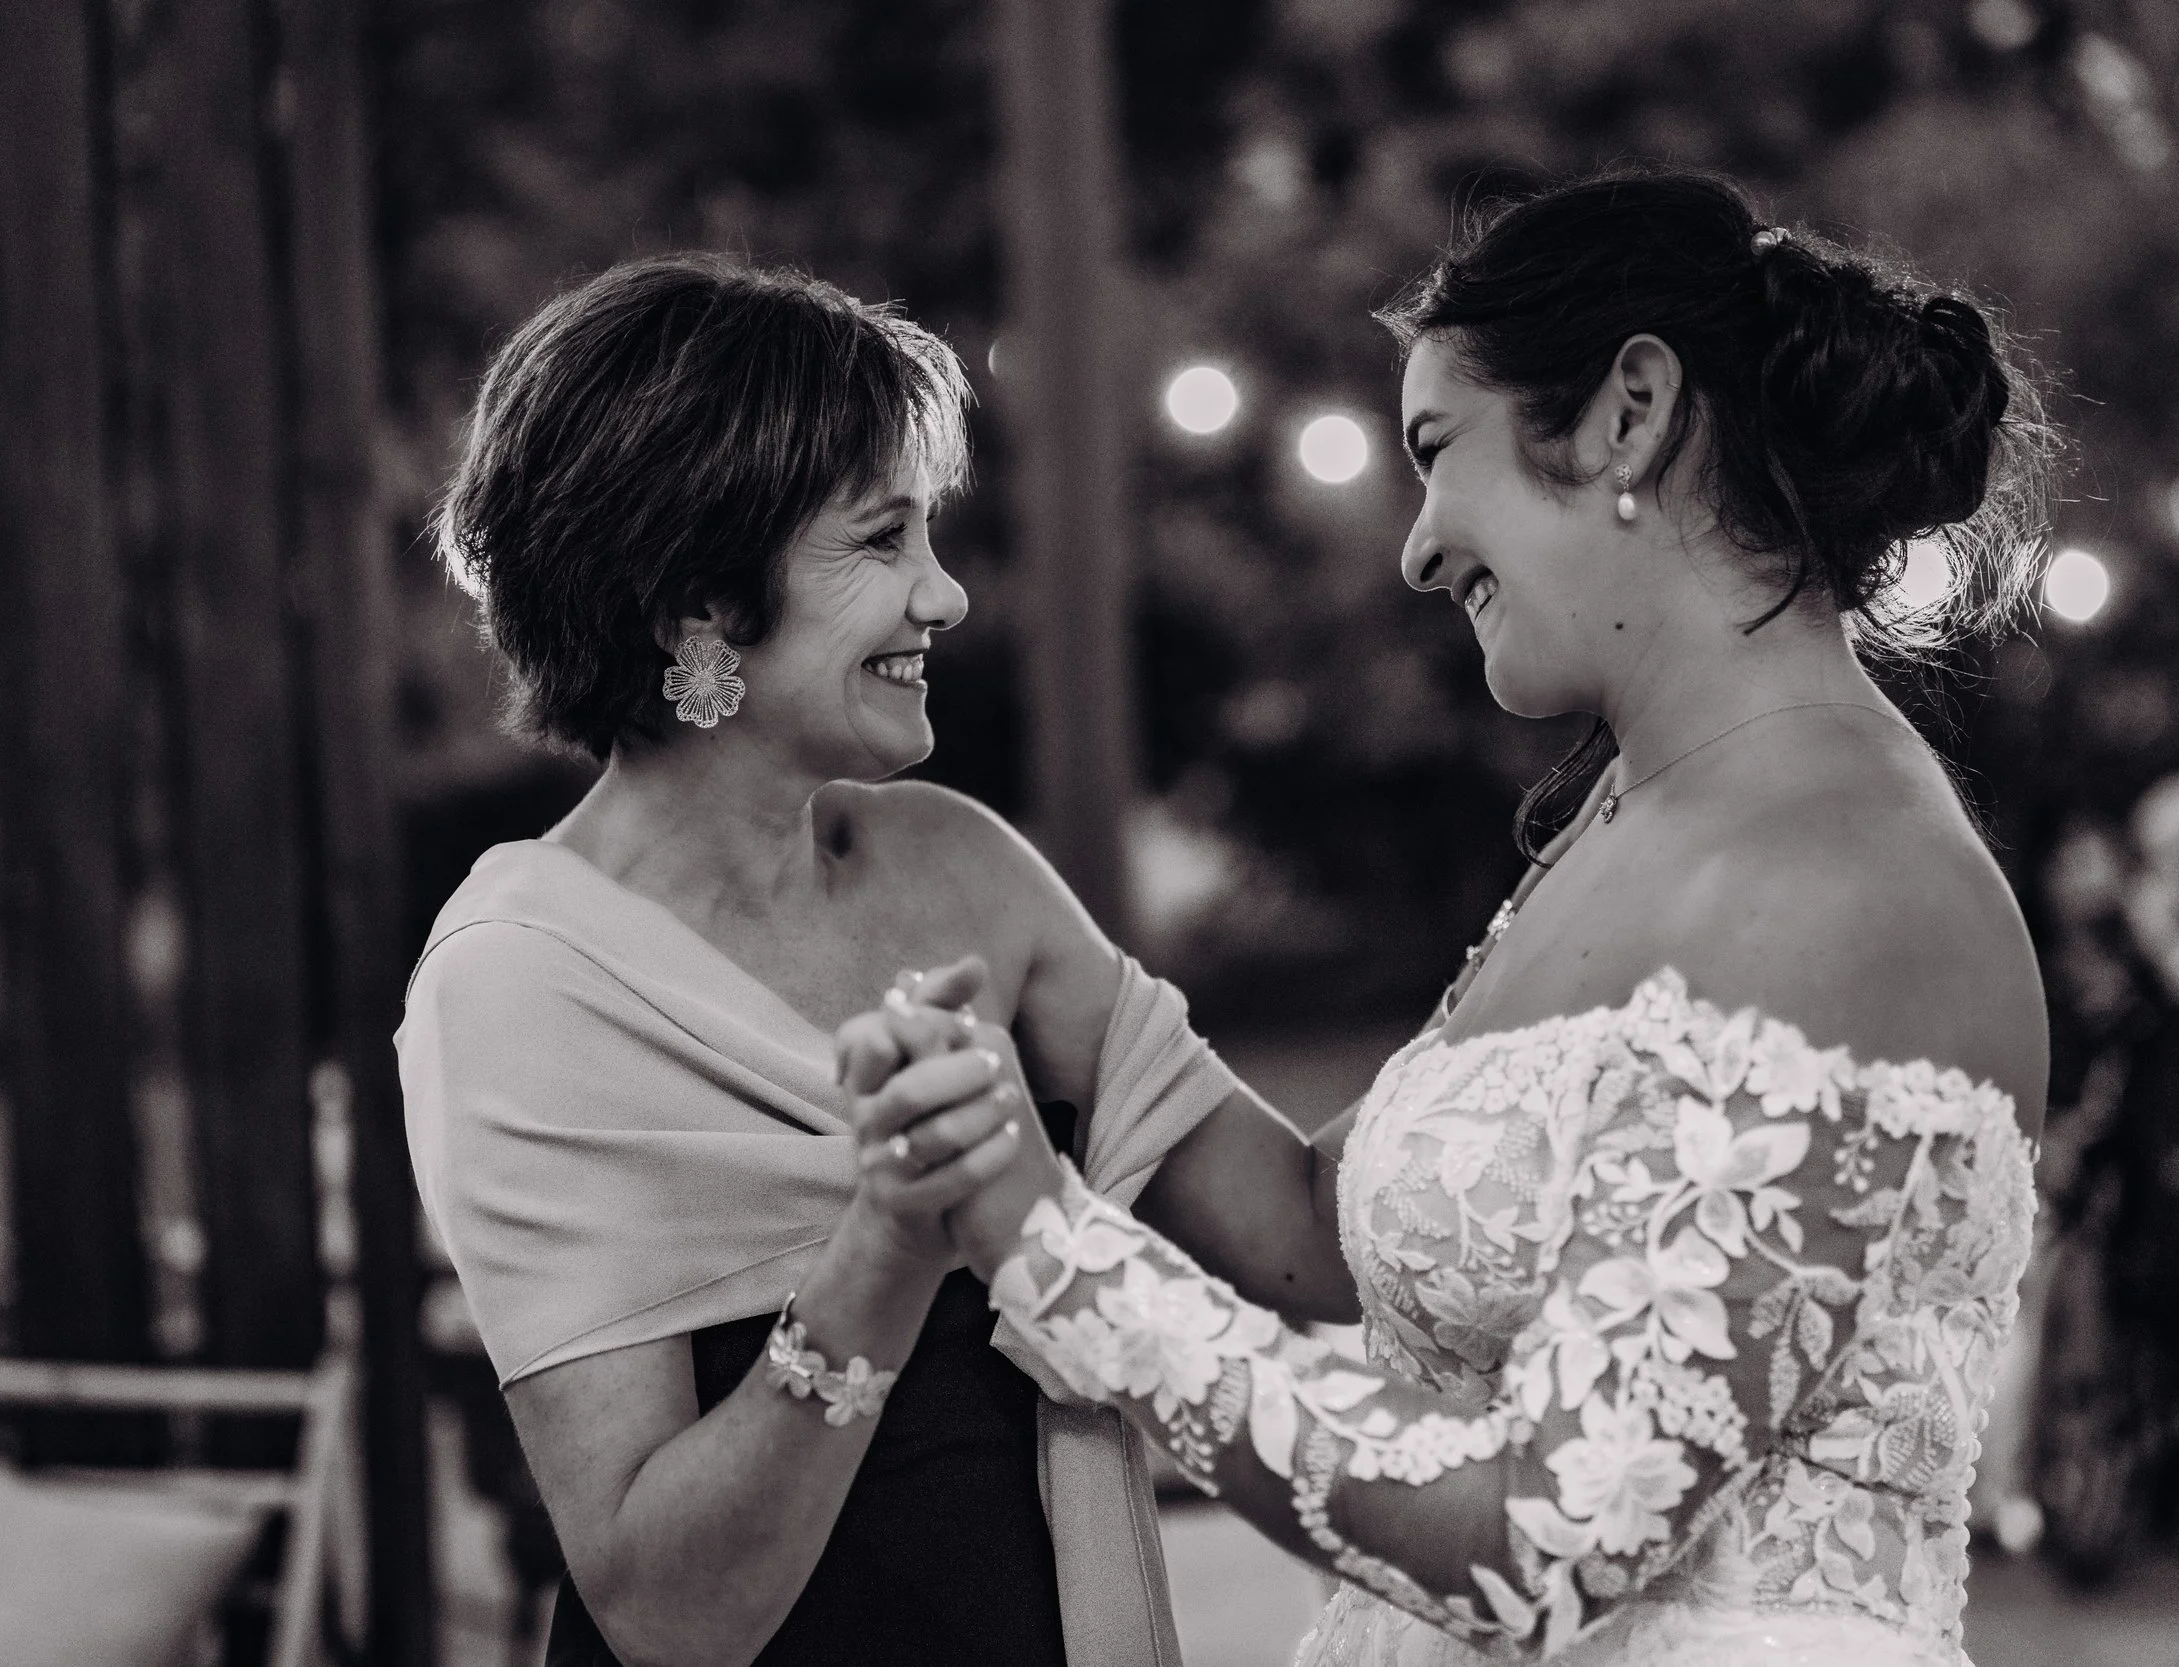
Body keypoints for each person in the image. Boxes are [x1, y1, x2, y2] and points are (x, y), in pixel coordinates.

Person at [845, 169, 2056, 1667]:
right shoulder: (1635, 818)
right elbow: (1316, 1230)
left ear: (1630, 411)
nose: (1417, 546)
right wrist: (1017, 924)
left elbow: (1547, 1544)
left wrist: (1047, 1243)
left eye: (1439, 450)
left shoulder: (1839, 877)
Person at [396, 255, 1350, 1667]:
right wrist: (890, 1246)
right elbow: (664, 1609)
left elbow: (1307, 1239)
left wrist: (1591, 908)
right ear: (697, 609)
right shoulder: (520, 980)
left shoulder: (961, 865)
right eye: (881, 541)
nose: (947, 596)